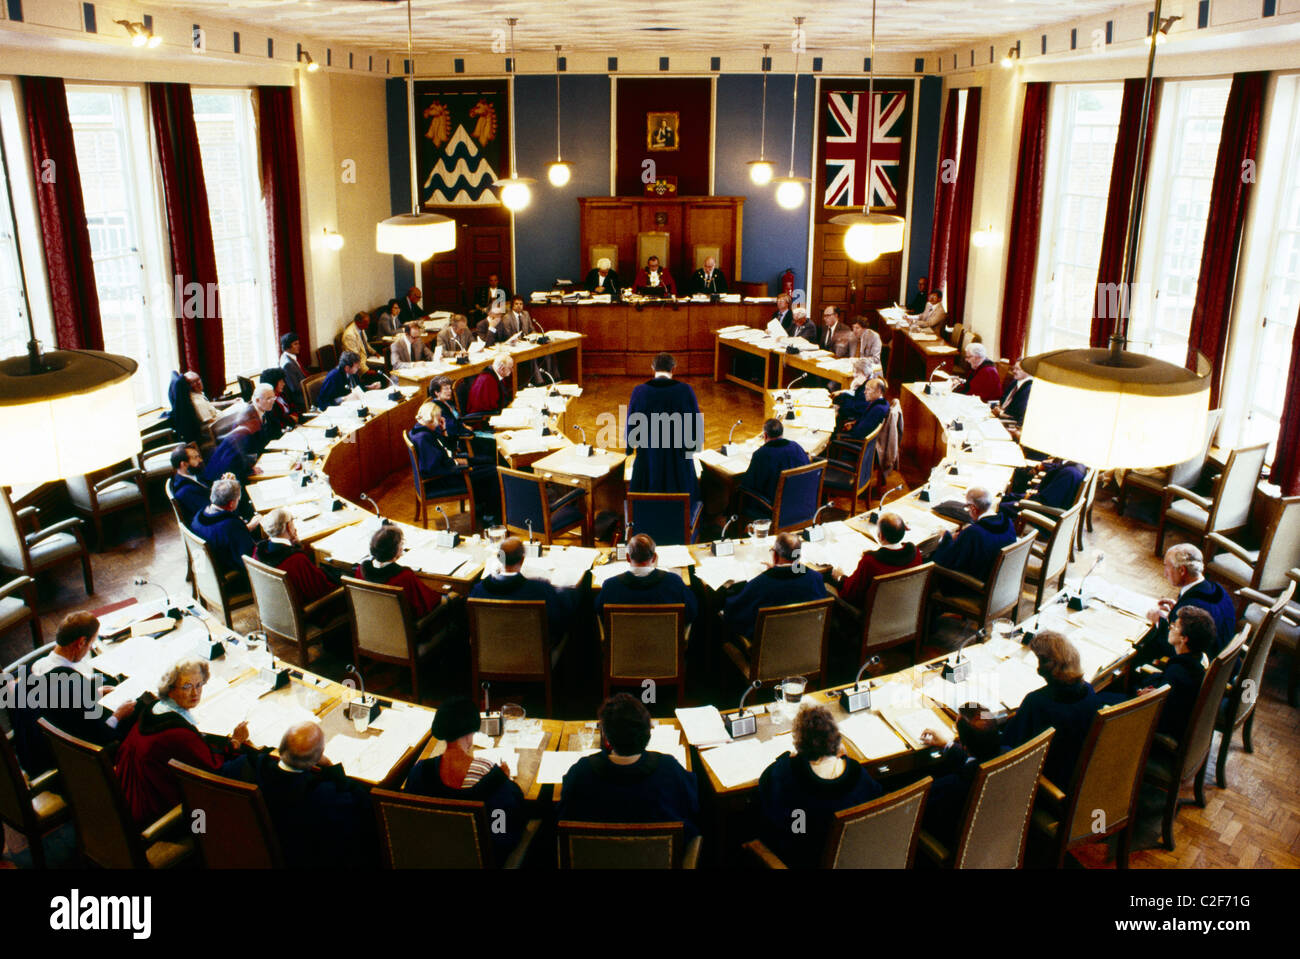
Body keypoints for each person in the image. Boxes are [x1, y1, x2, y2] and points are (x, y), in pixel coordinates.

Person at [221, 721, 377, 868]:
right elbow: (366, 805)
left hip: (246, 849)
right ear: (317, 759)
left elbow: (223, 771)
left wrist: (236, 743)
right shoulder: (325, 797)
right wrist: (331, 768)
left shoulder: (243, 767)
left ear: (280, 749)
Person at [114, 658, 250, 826]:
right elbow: (214, 772)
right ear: (170, 690)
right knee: (247, 765)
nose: (195, 693)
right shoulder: (179, 734)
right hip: (157, 814)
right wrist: (235, 743)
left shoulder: (153, 708)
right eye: (187, 687)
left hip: (131, 796)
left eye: (199, 685)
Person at [10, 612, 136, 776]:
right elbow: (101, 734)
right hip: (65, 765)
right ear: (81, 643)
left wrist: (95, 692)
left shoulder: (33, 668)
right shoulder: (73, 685)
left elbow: (59, 705)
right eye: (91, 643)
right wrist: (118, 715)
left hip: (33, 752)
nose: (91, 648)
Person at [757, 705, 883, 868]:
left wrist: (789, 759)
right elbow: (877, 799)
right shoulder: (857, 773)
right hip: (853, 858)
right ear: (836, 740)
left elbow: (766, 783)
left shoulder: (788, 774)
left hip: (803, 860)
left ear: (799, 743)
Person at [403, 698, 526, 865]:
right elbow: (503, 829)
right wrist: (505, 782)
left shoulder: (420, 771)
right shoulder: (490, 776)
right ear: (470, 734)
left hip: (431, 859)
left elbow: (410, 820)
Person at [557, 693, 699, 836]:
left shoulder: (581, 772)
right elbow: (693, 806)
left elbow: (562, 818)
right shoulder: (670, 768)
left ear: (606, 738)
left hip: (594, 857)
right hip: (658, 856)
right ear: (648, 733)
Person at [1000, 630, 1126, 787]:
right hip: (1074, 770)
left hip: (1044, 782)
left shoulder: (1036, 702)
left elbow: (1010, 744)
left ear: (1042, 669)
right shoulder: (1087, 690)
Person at [1136, 543, 1237, 664]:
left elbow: (1175, 650)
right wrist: (1177, 609)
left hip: (1198, 669)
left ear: (1182, 570)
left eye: (1167, 567)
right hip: (1225, 656)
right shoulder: (1218, 589)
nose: (1165, 573)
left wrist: (1160, 622)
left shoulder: (1192, 609)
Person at [626, 352, 703, 505]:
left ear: (652, 368)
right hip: (678, 455)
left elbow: (631, 422)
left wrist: (629, 449)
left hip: (648, 455)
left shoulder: (639, 391)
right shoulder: (685, 390)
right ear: (673, 369)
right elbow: (695, 423)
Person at [917, 713, 1003, 846]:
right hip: (998, 830)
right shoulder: (1011, 753)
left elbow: (916, 811)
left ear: (964, 745)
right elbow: (975, 762)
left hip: (952, 839)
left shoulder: (953, 785)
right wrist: (948, 745)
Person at [723, 532, 828, 638]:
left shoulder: (760, 583)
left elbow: (733, 612)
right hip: (806, 643)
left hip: (767, 647)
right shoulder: (816, 578)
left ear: (775, 555)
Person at [469, 536, 575, 640]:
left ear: (499, 558)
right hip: (534, 653)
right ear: (522, 559)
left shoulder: (478, 591)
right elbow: (559, 621)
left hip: (491, 652)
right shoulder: (540, 589)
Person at [409, 401, 498, 519]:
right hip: (443, 479)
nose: (439, 421)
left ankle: (481, 507)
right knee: (494, 471)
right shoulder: (423, 437)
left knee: (487, 461)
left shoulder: (421, 429)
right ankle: (489, 514)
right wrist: (457, 464)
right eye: (438, 418)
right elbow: (432, 467)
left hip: (449, 467)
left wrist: (444, 430)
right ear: (431, 419)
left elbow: (448, 448)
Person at [1138, 606, 1215, 738]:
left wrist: (1147, 696)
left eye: (1175, 626)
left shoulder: (1177, 671)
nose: (1171, 628)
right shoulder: (1196, 660)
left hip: (1154, 726)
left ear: (1184, 638)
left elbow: (1159, 714)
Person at [594, 534, 698, 627]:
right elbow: (692, 612)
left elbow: (600, 613)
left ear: (628, 558)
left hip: (622, 645)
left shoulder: (610, 586)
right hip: (665, 644)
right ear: (654, 558)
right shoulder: (674, 582)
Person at [251, 508, 343, 607]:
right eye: (293, 524)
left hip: (275, 608)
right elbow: (321, 589)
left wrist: (296, 545)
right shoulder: (296, 560)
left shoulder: (258, 552)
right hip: (308, 612)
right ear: (288, 527)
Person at [353, 524, 442, 622]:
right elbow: (425, 605)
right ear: (395, 550)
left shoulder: (361, 570)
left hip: (370, 626)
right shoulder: (404, 576)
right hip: (403, 632)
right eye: (401, 544)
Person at [929, 487, 1017, 582]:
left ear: (973, 508)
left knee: (929, 557)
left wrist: (946, 538)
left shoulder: (974, 532)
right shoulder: (1007, 521)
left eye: (967, 507)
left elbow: (947, 561)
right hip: (1001, 578)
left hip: (976, 585)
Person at [838, 512, 922, 608]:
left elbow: (850, 595)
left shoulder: (870, 562)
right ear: (905, 529)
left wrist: (841, 578)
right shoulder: (915, 553)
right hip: (906, 608)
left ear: (881, 536)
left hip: (871, 614)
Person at [740, 418, 810, 516]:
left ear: (765, 435)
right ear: (782, 433)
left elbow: (749, 483)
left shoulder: (761, 454)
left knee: (739, 492)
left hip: (775, 509)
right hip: (802, 504)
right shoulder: (796, 447)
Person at [190, 478, 258, 578]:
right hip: (229, 572)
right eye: (237, 500)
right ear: (231, 503)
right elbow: (249, 557)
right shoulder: (231, 525)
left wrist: (246, 528)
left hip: (206, 565)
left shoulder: (199, 515)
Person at [201, 404, 263, 486]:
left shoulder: (242, 432)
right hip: (219, 482)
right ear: (248, 421)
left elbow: (240, 458)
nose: (259, 423)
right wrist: (250, 471)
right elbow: (231, 464)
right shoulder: (240, 435)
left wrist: (250, 467)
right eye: (256, 419)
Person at [833, 375, 889, 441]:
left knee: (833, 435)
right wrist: (854, 423)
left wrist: (851, 428)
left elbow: (859, 433)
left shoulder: (878, 409)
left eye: (868, 389)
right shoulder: (882, 403)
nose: (864, 392)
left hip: (857, 441)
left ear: (879, 391)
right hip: (858, 434)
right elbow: (866, 422)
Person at [168, 443, 210, 526]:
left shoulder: (193, 475)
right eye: (195, 458)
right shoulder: (186, 491)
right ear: (183, 464)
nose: (200, 460)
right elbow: (209, 513)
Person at [341, 311, 383, 379]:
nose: (367, 326)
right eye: (366, 324)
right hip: (360, 365)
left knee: (387, 362)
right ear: (358, 322)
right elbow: (354, 359)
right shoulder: (349, 335)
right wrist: (366, 370)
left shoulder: (360, 327)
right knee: (383, 368)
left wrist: (375, 353)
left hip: (367, 358)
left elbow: (365, 345)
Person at [992, 358, 1033, 426]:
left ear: (1028, 370)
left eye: (1017, 369)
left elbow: (1018, 417)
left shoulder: (1029, 389)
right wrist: (997, 407)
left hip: (1010, 425)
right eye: (1014, 368)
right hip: (999, 418)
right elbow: (1003, 400)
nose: (1014, 371)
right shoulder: (1015, 382)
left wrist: (1001, 413)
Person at [258, 368, 299, 435]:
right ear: (273, 383)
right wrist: (292, 419)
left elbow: (294, 408)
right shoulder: (268, 403)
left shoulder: (283, 394)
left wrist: (294, 416)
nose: (284, 384)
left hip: (296, 427)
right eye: (281, 381)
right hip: (284, 433)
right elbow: (278, 423)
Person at [279, 332, 309, 414]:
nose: (299, 346)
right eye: (295, 344)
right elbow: (295, 388)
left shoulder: (289, 356)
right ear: (287, 346)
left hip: (304, 392)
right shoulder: (288, 364)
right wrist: (311, 386)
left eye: (298, 343)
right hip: (301, 399)